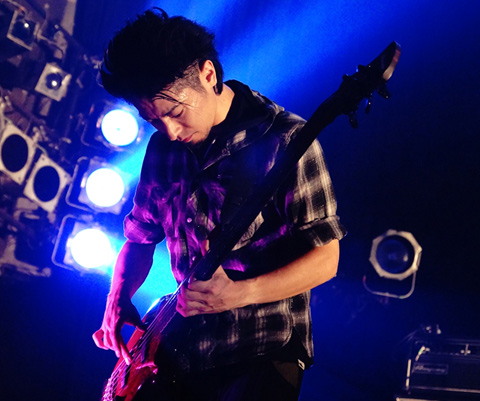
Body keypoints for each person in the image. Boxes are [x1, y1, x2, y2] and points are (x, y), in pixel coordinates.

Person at [92, 8, 346, 401]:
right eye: (153, 121)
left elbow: (326, 259)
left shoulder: (286, 142)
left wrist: (239, 294)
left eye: (175, 112)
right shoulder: (162, 149)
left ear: (208, 74)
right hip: (181, 354)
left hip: (260, 352)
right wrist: (117, 298)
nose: (169, 132)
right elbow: (139, 239)